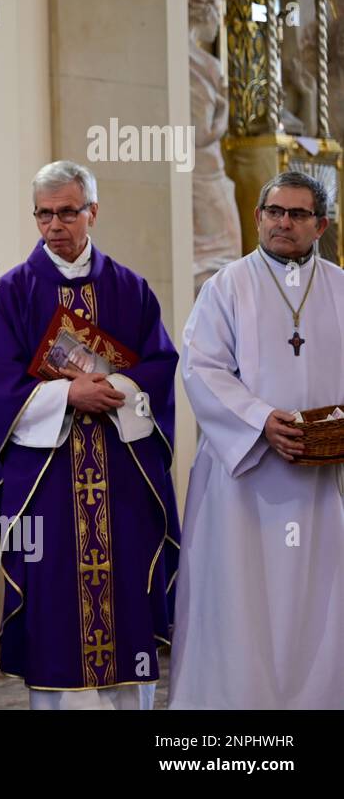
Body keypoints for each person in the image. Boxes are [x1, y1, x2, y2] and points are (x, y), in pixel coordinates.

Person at [0, 160, 180, 709]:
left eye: (67, 212)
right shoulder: (10, 294)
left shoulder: (131, 290)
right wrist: (68, 395)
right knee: (54, 606)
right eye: (44, 215)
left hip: (122, 477)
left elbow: (161, 367)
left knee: (128, 602)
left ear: (92, 211)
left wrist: (111, 388)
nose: (55, 226)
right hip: (47, 481)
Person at [170, 170, 344, 709]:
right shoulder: (226, 286)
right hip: (243, 480)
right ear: (257, 217)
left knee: (318, 603)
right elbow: (201, 369)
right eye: (274, 211)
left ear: (320, 225)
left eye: (296, 215)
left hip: (323, 479)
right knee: (242, 600)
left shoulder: (340, 286)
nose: (282, 223)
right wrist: (261, 421)